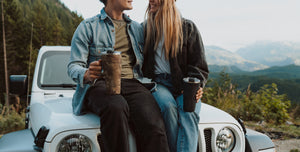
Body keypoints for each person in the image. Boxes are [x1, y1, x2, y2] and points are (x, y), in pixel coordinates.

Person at [67, 0, 170, 152]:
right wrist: (87, 74)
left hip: (133, 83)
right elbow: (73, 65)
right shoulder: (88, 27)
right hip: (100, 84)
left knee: (153, 124)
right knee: (116, 107)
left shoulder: (137, 29)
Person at [142, 0, 209, 152]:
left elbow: (199, 65)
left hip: (185, 84)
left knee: (189, 112)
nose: (150, 1)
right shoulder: (145, 29)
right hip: (158, 83)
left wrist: (197, 86)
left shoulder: (187, 28)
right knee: (168, 108)